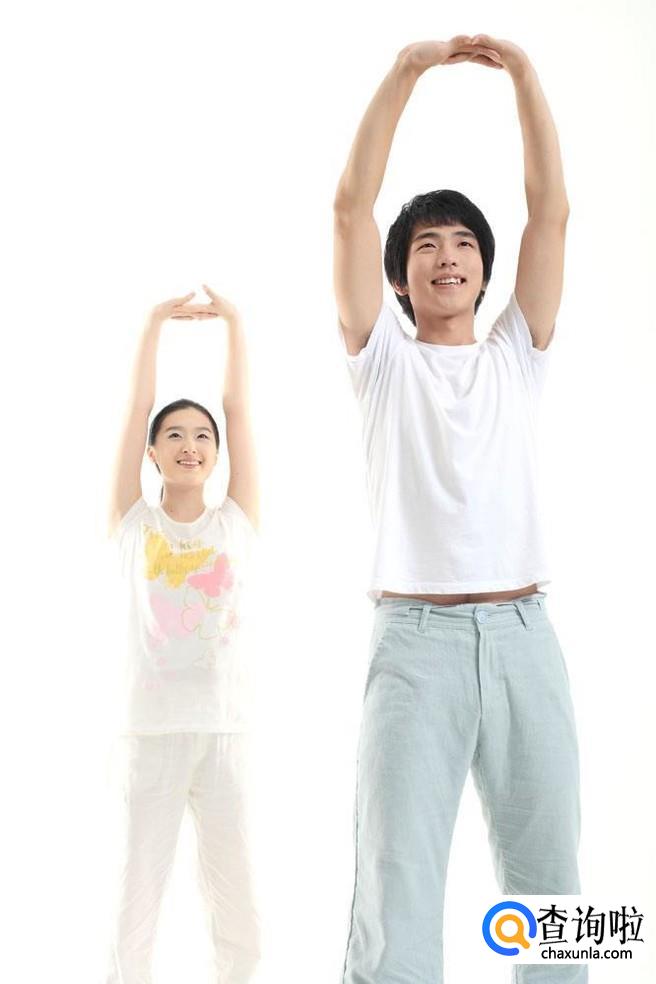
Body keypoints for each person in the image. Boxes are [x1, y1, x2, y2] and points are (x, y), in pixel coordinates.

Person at [333, 34, 585, 983]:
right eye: (427, 246)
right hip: (416, 648)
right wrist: (406, 73)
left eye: (465, 244)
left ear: (485, 271)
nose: (449, 257)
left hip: (526, 637)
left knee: (553, 891)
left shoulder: (518, 352)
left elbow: (551, 211)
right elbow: (350, 208)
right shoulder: (382, 362)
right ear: (400, 279)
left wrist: (525, 75)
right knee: (395, 890)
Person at [104, 284, 261, 983]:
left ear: (217, 453)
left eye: (202, 436)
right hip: (153, 736)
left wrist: (234, 323)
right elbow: (137, 405)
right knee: (137, 906)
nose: (190, 445)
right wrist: (153, 323)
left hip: (224, 734)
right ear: (152, 452)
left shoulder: (236, 522)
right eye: (174, 435)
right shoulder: (135, 523)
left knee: (239, 914)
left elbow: (239, 409)